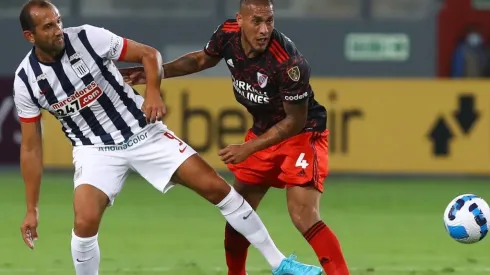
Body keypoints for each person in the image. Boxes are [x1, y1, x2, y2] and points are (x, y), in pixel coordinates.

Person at [14, 1, 322, 275]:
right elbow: (30, 147)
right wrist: (32, 209)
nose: (58, 30)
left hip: (143, 132)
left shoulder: (86, 37)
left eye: (58, 21)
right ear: (31, 36)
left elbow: (149, 54)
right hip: (95, 150)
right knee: (84, 223)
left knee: (220, 190)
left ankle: (279, 264)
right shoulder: (26, 80)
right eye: (48, 26)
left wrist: (152, 93)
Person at [120, 0, 350, 274]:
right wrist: (156, 72)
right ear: (240, 20)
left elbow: (294, 121)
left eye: (270, 21)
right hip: (265, 131)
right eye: (257, 21)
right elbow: (201, 59)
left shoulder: (289, 63)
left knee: (303, 215)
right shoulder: (228, 34)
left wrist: (248, 148)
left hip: (302, 134)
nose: (264, 29)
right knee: (239, 214)